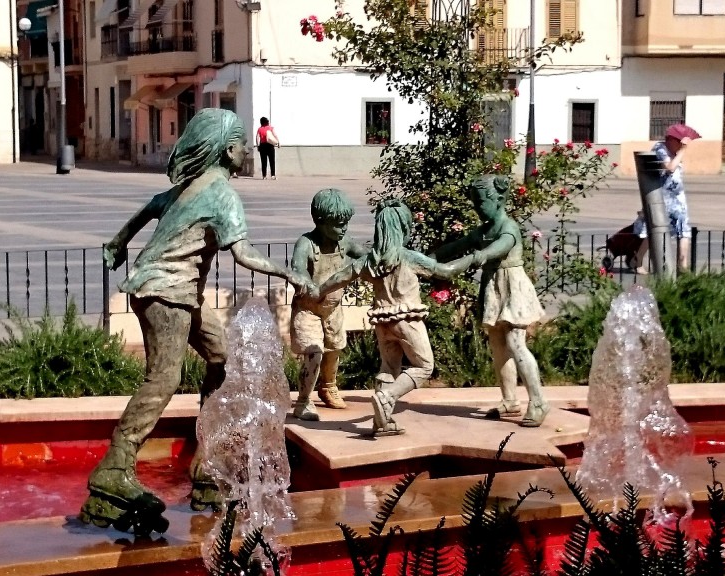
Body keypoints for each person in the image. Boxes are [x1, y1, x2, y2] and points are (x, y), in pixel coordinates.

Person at [80, 108, 313, 534]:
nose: (247, 150)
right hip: (165, 293)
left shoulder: (190, 187)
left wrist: (117, 244)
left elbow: (151, 206)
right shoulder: (222, 193)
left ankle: (208, 463)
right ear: (229, 150)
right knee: (163, 378)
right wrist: (290, 273)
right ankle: (116, 465)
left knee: (221, 359)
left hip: (178, 294)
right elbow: (242, 254)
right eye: (243, 143)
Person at [313, 199, 473, 436]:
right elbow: (445, 271)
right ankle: (388, 396)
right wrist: (475, 258)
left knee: (389, 367)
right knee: (424, 366)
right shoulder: (407, 257)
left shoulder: (371, 260)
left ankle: (382, 421)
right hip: (407, 320)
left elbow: (342, 276)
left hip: (382, 322)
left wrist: (318, 291)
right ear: (403, 229)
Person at [432, 175, 548, 427]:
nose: (477, 208)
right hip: (493, 288)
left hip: (512, 287)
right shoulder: (483, 231)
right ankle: (509, 400)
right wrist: (426, 259)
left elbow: (499, 248)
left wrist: (478, 257)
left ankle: (538, 401)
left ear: (498, 200)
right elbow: (454, 247)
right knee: (498, 346)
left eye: (481, 202)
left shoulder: (509, 228)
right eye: (474, 203)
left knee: (516, 344)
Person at [289, 188, 368, 421]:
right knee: (314, 352)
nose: (343, 229)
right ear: (320, 221)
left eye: (346, 223)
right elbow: (298, 267)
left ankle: (328, 386)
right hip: (308, 308)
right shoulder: (306, 243)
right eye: (338, 224)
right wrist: (304, 280)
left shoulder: (345, 243)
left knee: (334, 349)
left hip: (333, 308)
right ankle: (304, 400)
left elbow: (365, 255)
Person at [654, 126, 696, 273]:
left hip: (678, 199)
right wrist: (682, 151)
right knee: (652, 230)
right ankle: (637, 259)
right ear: (671, 139)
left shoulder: (674, 152)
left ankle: (682, 267)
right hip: (662, 198)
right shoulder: (660, 148)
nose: (681, 145)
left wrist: (679, 152)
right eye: (679, 142)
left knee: (683, 230)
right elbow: (670, 167)